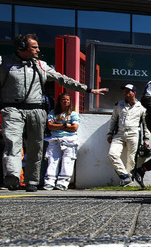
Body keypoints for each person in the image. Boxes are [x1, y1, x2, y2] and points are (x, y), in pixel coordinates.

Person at [1, 33, 106, 191]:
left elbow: (64, 79)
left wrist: (89, 89)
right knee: (12, 143)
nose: (38, 49)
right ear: (22, 48)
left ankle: (32, 181)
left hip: (36, 110)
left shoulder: (41, 66)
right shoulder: (4, 63)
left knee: (36, 146)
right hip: (12, 109)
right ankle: (13, 176)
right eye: (34, 47)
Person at [106, 84, 149, 187]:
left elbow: (145, 124)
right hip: (120, 133)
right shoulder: (118, 105)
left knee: (131, 158)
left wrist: (146, 138)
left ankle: (129, 181)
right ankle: (125, 176)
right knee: (112, 154)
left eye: (128, 91)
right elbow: (113, 120)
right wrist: (110, 133)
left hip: (134, 133)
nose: (126, 93)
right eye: (125, 91)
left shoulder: (141, 106)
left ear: (134, 93)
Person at [43, 92, 80, 190]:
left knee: (67, 161)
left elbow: (74, 127)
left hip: (70, 141)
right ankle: (49, 182)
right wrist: (65, 125)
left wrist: (58, 125)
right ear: (59, 101)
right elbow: (50, 126)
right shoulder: (52, 113)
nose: (65, 101)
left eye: (67, 99)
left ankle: (63, 183)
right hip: (54, 140)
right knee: (52, 160)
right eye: (63, 99)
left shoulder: (73, 114)